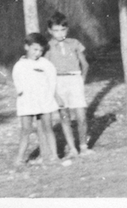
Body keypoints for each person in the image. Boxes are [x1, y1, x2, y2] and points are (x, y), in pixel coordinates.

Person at [45, 12, 91, 156]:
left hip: (74, 79)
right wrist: (53, 90)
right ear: (50, 31)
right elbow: (46, 70)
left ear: (67, 29)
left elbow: (85, 64)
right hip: (58, 82)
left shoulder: (74, 43)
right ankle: (72, 148)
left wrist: (81, 79)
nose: (60, 33)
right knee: (64, 116)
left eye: (62, 30)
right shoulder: (47, 47)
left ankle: (83, 146)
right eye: (56, 30)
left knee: (81, 117)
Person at [12, 32, 58, 165]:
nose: (37, 53)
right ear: (27, 47)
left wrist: (49, 96)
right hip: (27, 101)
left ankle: (54, 155)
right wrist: (23, 94)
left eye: (40, 50)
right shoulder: (20, 65)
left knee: (48, 127)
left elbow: (52, 80)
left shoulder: (46, 64)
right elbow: (18, 81)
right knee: (25, 129)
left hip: (44, 100)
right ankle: (20, 158)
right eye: (35, 49)